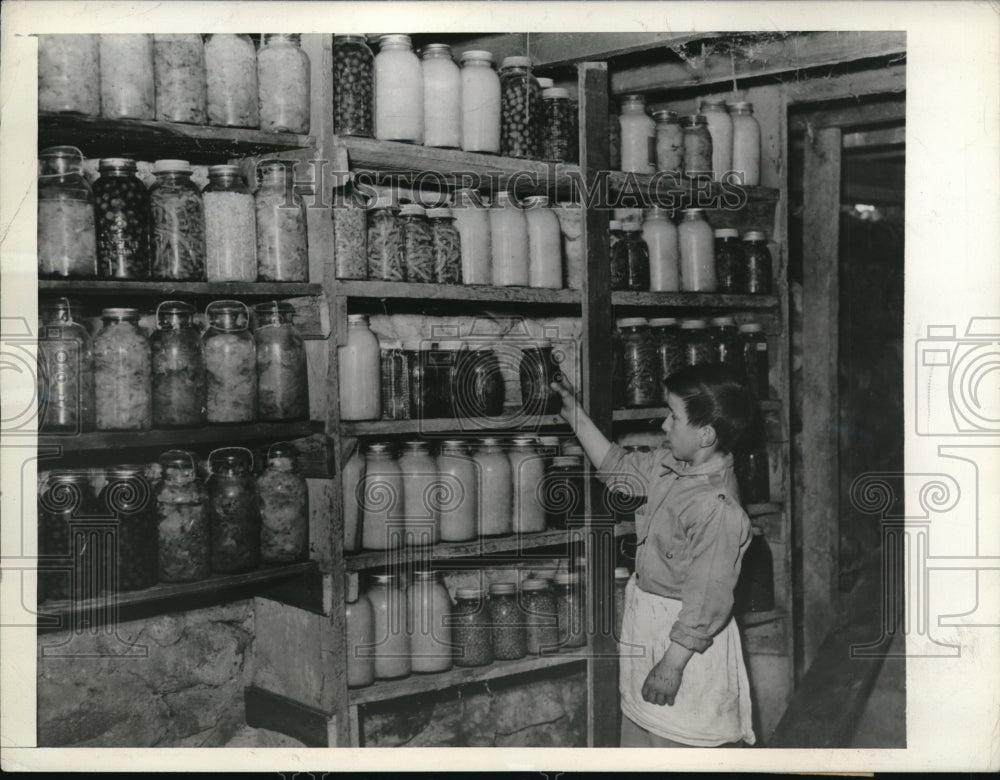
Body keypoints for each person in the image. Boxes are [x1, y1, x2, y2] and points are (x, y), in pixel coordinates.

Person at [551, 363, 757, 747]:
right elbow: (617, 467)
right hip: (651, 627)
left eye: (674, 417)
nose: (664, 425)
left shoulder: (716, 508)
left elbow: (707, 601)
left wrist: (672, 665)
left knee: (677, 746)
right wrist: (573, 411)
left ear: (705, 434)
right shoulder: (672, 466)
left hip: (686, 645)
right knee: (640, 739)